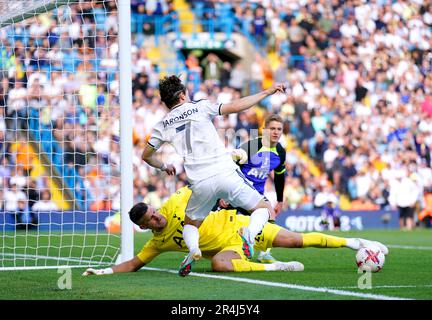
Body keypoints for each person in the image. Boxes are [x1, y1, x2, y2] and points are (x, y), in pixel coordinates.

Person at [141, 75, 285, 276]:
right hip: (226, 173)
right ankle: (249, 237)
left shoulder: (162, 125)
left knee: (191, 223)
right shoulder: (200, 106)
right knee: (264, 208)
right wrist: (266, 92)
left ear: (166, 102)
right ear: (182, 95)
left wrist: (164, 166)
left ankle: (193, 250)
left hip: (200, 182)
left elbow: (146, 156)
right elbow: (236, 106)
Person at [82, 187, 389, 276]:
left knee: (297, 240)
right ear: (144, 227)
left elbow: (203, 186)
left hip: (239, 226)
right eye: (151, 219)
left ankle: (356, 242)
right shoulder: (157, 243)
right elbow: (134, 263)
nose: (157, 217)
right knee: (218, 264)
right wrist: (104, 272)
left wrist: (219, 196)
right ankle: (276, 266)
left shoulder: (176, 201)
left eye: (154, 212)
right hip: (228, 247)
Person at [222, 114, 286, 263]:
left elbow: (279, 176)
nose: (276, 132)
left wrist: (280, 201)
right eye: (272, 129)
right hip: (237, 190)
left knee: (270, 217)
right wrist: (223, 195)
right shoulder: (251, 146)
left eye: (279, 129)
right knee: (217, 222)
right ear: (264, 130)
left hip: (256, 194)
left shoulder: (280, 152)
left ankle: (264, 253)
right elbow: (230, 168)